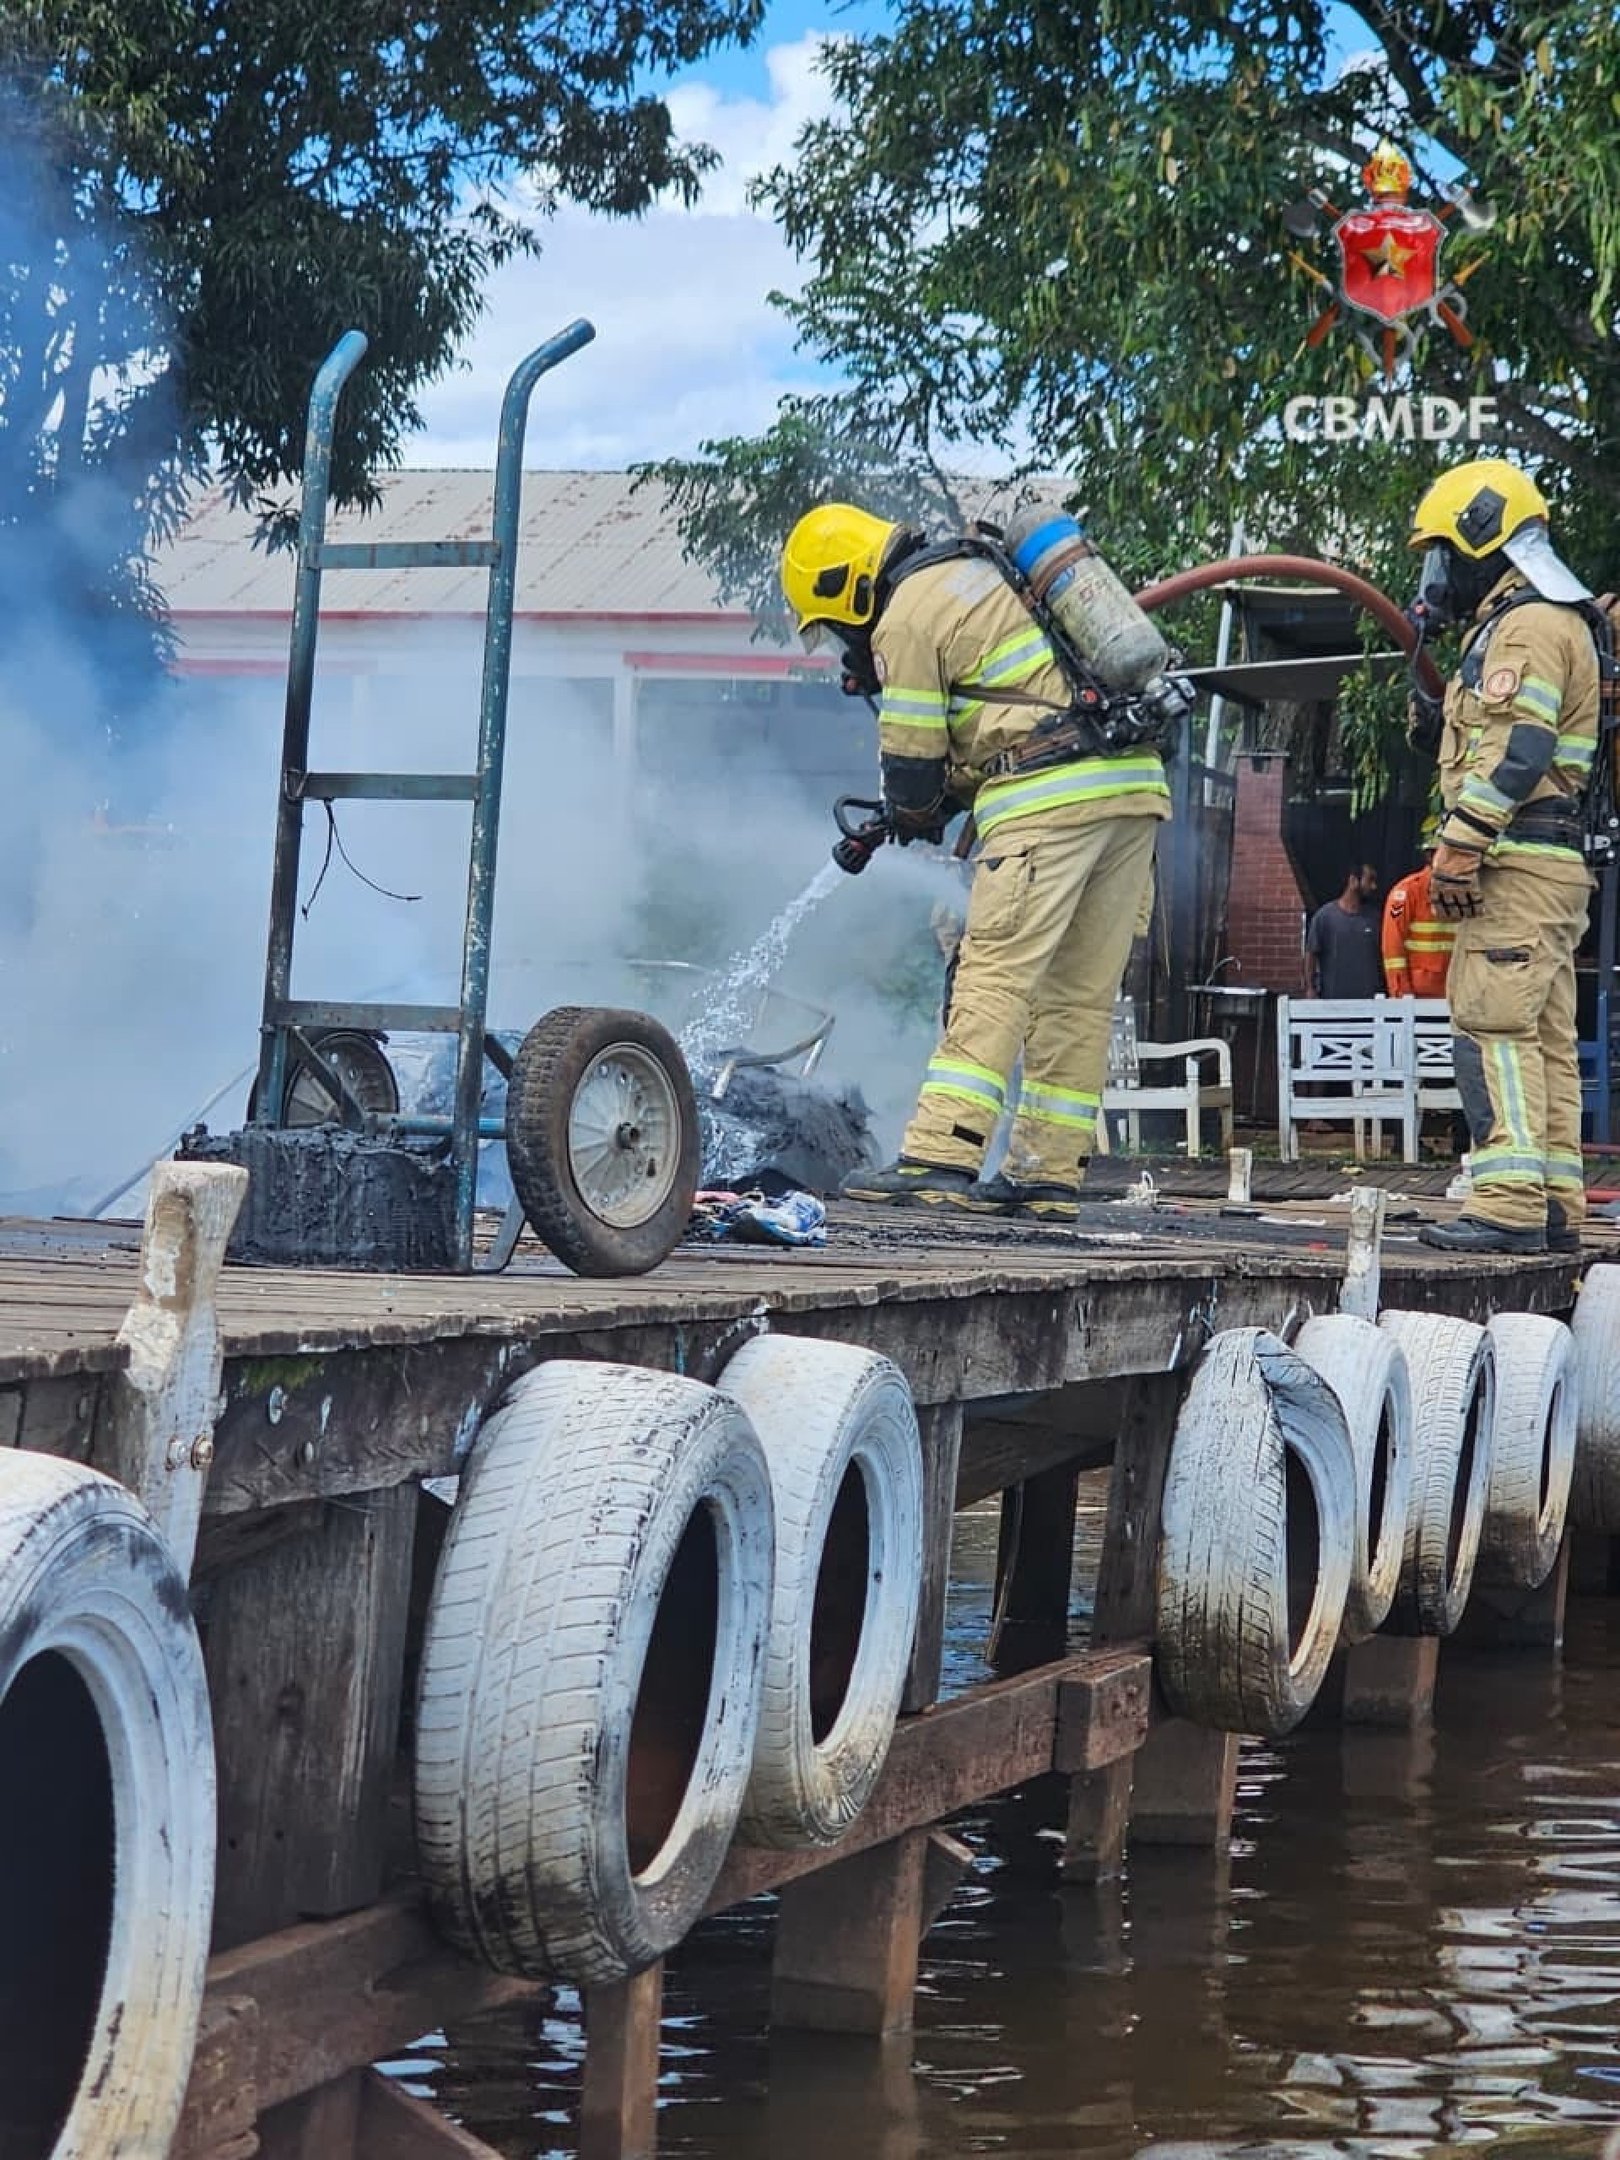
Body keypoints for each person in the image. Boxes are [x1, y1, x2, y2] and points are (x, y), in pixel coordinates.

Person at [778, 501, 1172, 1219]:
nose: (843, 643)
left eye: (834, 626)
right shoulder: (984, 574)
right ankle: (1047, 1173)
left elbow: (912, 767)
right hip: (1132, 791)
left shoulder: (906, 615)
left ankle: (940, 1156)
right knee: (1077, 997)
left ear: (847, 588)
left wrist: (906, 814)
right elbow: (1008, 723)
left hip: (1048, 804)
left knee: (992, 980)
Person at [1403, 457, 1598, 1256]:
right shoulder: (1550, 620)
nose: (1436, 576)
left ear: (1483, 541)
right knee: (1543, 1037)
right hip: (1546, 863)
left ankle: (1508, 1201)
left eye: (1443, 554)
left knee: (1490, 1025)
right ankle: (1553, 1202)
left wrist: (1459, 844)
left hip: (1515, 862)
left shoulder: (1526, 626)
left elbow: (1522, 750)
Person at [1381, 850, 1457, 1000]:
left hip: (1454, 993)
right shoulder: (1405, 892)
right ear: (1430, 857)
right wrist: (1401, 995)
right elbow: (1393, 947)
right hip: (1418, 996)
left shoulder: (1461, 893)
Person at [1303, 864, 1383, 999]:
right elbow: (1311, 954)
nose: (1374, 886)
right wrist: (1310, 988)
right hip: (1333, 1001)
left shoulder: (1375, 918)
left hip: (1369, 1002)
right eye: (1369, 880)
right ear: (1353, 881)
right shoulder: (1324, 917)